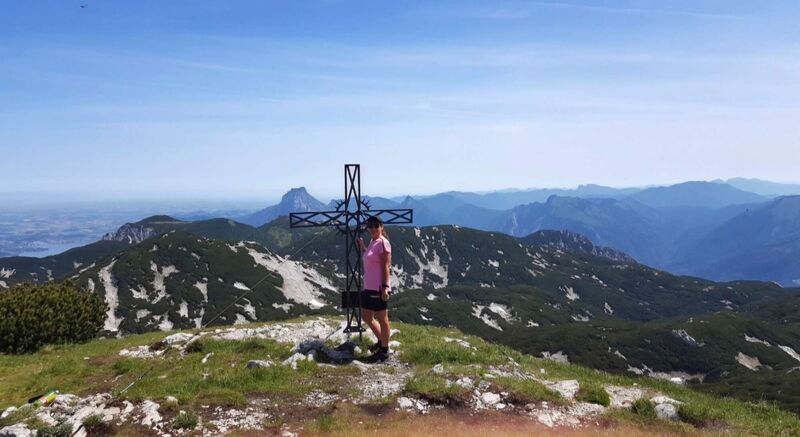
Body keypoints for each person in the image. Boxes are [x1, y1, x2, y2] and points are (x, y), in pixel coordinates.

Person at [357, 215, 392, 362]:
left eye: (376, 225)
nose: (372, 228)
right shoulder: (373, 241)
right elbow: (371, 258)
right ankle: (381, 341)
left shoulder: (383, 243)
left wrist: (384, 287)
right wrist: (363, 247)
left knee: (382, 318)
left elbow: (386, 266)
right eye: (369, 226)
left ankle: (384, 350)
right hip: (369, 286)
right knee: (366, 317)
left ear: (381, 227)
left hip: (378, 287)